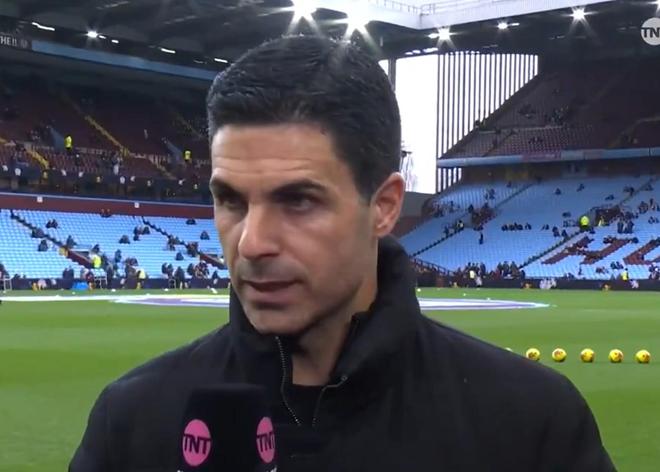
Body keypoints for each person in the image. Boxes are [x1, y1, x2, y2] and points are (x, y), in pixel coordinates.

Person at [70, 36, 614, 471]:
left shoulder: (530, 423)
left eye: (298, 201)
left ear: (384, 207)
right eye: (230, 200)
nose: (252, 243)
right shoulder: (134, 420)